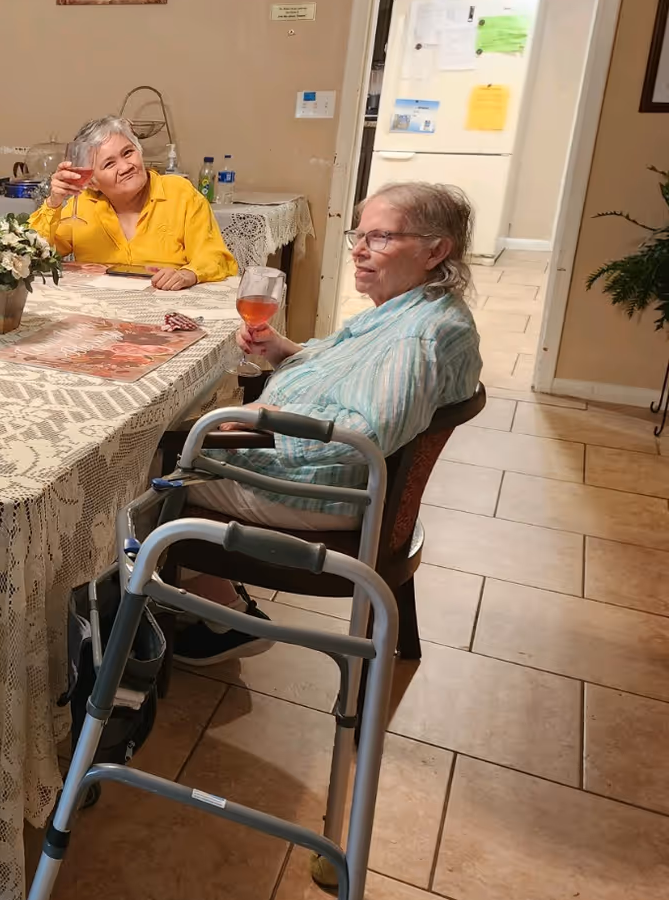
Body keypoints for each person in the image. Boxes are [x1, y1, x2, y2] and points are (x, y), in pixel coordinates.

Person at [171, 180, 483, 664]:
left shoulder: (416, 338)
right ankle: (207, 600)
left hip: (320, 491)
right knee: (181, 435)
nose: (358, 251)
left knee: (144, 470)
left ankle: (216, 612)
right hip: (331, 479)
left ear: (435, 250)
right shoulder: (409, 312)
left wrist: (267, 424)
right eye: (357, 236)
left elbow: (367, 437)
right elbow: (350, 376)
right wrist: (285, 352)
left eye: (379, 238)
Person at [30, 115, 238, 290]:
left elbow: (214, 256)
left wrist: (188, 274)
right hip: (100, 312)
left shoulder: (180, 193)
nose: (125, 166)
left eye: (128, 152)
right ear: (92, 181)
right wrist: (54, 202)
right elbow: (30, 253)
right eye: (109, 163)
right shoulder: (84, 204)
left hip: (170, 309)